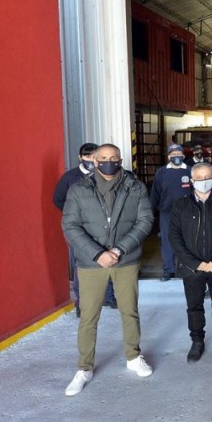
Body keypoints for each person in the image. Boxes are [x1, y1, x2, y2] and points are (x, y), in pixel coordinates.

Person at [61, 144, 154, 396]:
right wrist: (98, 253)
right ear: (94, 160)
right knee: (89, 316)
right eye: (102, 158)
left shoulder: (135, 187)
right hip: (92, 263)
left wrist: (118, 250)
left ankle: (133, 357)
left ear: (120, 160)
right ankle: (84, 367)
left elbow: (145, 220)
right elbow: (70, 224)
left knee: (129, 311)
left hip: (125, 260)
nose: (108, 162)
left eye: (113, 158)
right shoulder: (79, 188)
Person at [168, 162, 212, 363]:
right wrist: (194, 263)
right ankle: (197, 341)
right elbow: (174, 236)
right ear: (192, 181)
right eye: (199, 178)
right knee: (194, 306)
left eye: (207, 177)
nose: (204, 181)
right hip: (192, 268)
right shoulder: (180, 204)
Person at [53, 142, 115, 316]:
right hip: (79, 228)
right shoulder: (70, 177)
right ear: (80, 158)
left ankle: (108, 297)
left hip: (102, 225)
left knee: (108, 258)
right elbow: (58, 199)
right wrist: (73, 216)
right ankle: (82, 302)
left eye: (94, 156)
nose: (91, 160)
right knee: (80, 263)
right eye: (87, 156)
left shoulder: (105, 174)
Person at [150, 144, 192, 281]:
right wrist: (151, 210)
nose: (176, 157)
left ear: (183, 155)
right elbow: (155, 193)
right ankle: (169, 270)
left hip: (187, 212)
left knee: (187, 241)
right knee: (167, 241)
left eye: (178, 154)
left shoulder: (190, 171)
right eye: (173, 155)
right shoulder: (162, 172)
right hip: (167, 212)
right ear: (168, 156)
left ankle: (186, 267)